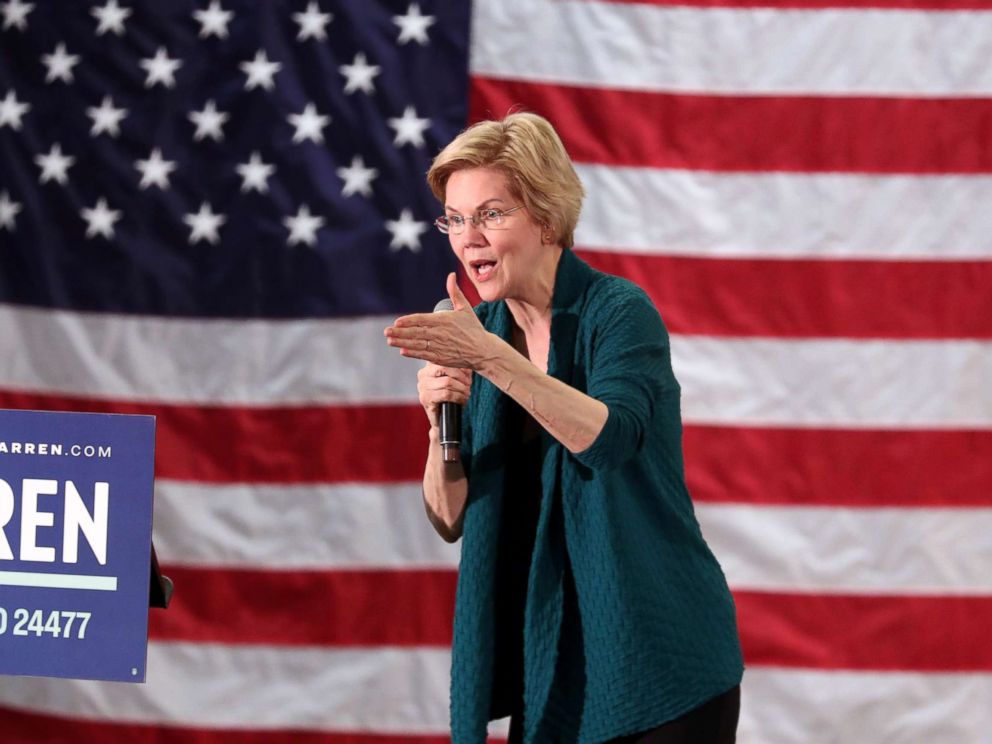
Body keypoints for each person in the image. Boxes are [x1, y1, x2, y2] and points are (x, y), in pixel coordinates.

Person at [384, 112, 743, 743]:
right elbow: (448, 519)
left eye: (491, 214)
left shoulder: (618, 313)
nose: (470, 237)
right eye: (456, 218)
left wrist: (491, 360)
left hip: (662, 658)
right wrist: (439, 432)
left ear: (547, 218)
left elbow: (607, 438)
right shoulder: (486, 333)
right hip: (551, 661)